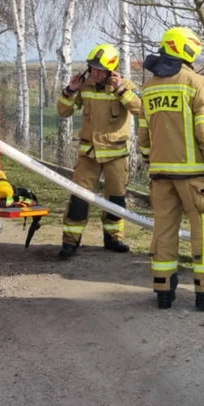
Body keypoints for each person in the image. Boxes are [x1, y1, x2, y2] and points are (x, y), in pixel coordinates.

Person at [137, 27, 204, 311]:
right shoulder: (196, 82)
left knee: (164, 232)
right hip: (194, 176)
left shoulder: (149, 86)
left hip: (160, 176)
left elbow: (143, 137)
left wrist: (152, 160)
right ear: (188, 51)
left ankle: (163, 291)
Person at [56, 44, 141, 258]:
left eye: (100, 70)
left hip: (116, 155)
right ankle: (70, 242)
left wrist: (120, 89)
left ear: (111, 70)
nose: (95, 73)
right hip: (89, 155)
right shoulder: (84, 86)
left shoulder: (126, 85)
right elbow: (63, 111)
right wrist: (71, 89)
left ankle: (113, 239)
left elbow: (140, 108)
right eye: (92, 68)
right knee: (79, 200)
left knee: (116, 200)